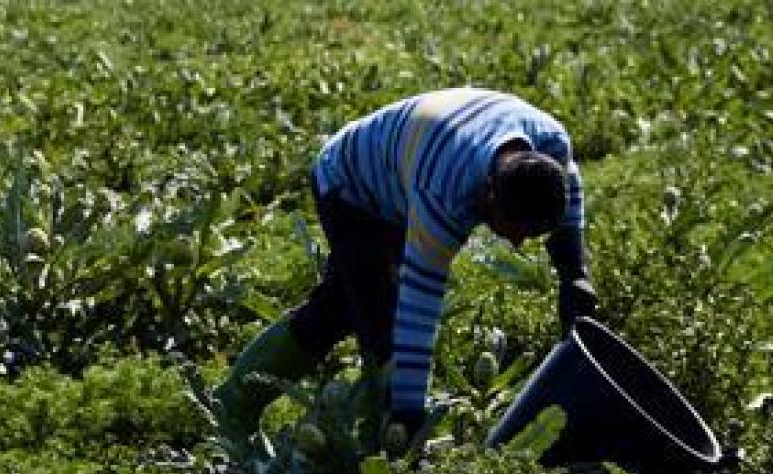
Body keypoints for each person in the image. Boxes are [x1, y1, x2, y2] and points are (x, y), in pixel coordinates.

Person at [213, 87, 598, 448]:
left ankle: (238, 404)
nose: (516, 243)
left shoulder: (551, 144)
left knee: (344, 308)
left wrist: (573, 272)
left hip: (408, 167)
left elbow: (572, 185)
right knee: (375, 323)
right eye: (512, 230)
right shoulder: (444, 193)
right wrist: (410, 414)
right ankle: (242, 407)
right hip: (352, 186)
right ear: (489, 194)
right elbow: (418, 307)